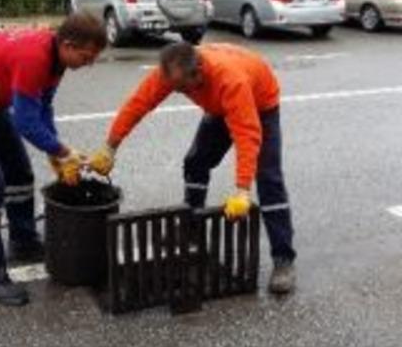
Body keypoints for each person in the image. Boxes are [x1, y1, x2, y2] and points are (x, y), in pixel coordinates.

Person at [88, 42, 297, 294]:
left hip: (261, 104)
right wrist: (110, 147)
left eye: (181, 88)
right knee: (195, 161)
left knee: (268, 178)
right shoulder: (172, 71)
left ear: (199, 71)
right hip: (219, 105)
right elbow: (138, 104)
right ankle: (192, 229)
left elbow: (246, 135)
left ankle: (283, 259)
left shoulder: (230, 81)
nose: (176, 92)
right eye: (173, 88)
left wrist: (242, 189)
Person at [0, 13, 106, 306]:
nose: (89, 64)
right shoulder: (34, 58)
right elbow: (26, 122)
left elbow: (43, 107)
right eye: (86, 57)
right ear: (67, 44)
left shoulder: (56, 59)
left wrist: (55, 150)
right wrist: (64, 152)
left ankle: (23, 241)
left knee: (20, 174)